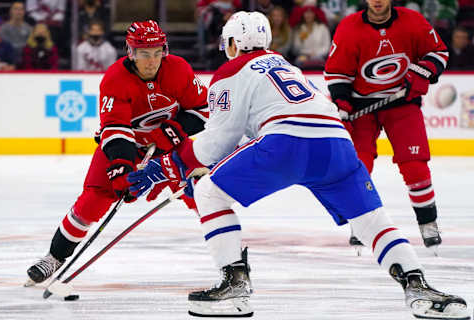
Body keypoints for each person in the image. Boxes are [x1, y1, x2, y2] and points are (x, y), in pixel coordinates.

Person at [128, 11, 468, 319]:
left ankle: (234, 287)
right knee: (371, 221)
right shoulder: (286, 66)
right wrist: (211, 163)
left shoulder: (231, 70)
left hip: (286, 145)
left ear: (233, 43)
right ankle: (419, 287)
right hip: (337, 145)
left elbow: (219, 141)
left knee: (209, 194)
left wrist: (167, 166)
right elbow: (256, 132)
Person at [25, 20, 208, 286]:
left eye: (158, 52)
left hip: (171, 145)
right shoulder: (114, 79)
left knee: (202, 191)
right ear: (130, 52)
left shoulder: (179, 69)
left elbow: (203, 110)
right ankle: (54, 257)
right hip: (126, 147)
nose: (152, 61)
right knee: (93, 201)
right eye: (145, 53)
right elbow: (115, 129)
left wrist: (171, 131)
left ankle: (232, 260)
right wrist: (122, 166)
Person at [324, 0, 448, 252]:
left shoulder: (413, 21)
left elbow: (438, 53)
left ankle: (428, 223)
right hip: (361, 107)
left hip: (403, 103)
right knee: (358, 166)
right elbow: (337, 72)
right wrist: (343, 103)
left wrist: (423, 71)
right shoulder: (349, 28)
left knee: (414, 165)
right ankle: (360, 224)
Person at [0, 2, 32, 67]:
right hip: (7, 59)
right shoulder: (3, 28)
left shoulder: (29, 28)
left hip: (24, 59)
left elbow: (29, 44)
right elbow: (5, 45)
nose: (18, 12)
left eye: (21, 9)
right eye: (16, 9)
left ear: (24, 12)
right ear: (11, 11)